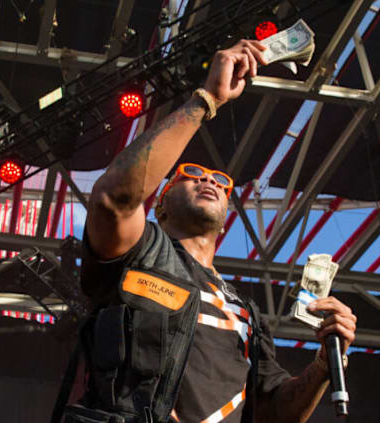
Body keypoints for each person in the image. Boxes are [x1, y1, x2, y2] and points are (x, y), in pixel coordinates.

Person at [77, 39, 357, 423]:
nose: (208, 181)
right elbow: (113, 199)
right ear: (160, 203)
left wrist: (325, 364)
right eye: (191, 175)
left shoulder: (246, 313)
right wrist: (207, 99)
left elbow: (274, 412)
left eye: (221, 182)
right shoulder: (141, 252)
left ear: (225, 215)